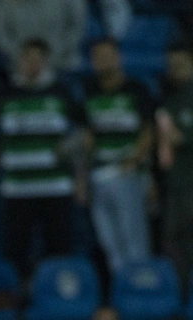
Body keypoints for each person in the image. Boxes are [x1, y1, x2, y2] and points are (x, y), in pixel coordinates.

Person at [0, 39, 85, 278]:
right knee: (15, 253)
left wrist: (73, 156)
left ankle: (58, 300)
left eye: (37, 58)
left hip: (55, 187)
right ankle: (22, 304)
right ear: (19, 62)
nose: (32, 63)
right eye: (27, 58)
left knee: (59, 250)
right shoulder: (3, 93)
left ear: (46, 62)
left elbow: (83, 132)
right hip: (17, 189)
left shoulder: (62, 92)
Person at [83, 38, 154, 274]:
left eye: (107, 55)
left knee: (133, 241)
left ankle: (140, 292)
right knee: (109, 243)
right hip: (99, 174)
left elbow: (148, 130)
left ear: (118, 57)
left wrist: (134, 161)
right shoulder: (89, 92)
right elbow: (88, 135)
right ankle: (123, 294)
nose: (102, 61)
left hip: (127, 173)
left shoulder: (136, 89)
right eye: (97, 57)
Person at [157, 41, 193, 291]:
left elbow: (179, 137)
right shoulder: (168, 97)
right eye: (172, 65)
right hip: (174, 184)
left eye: (182, 64)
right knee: (173, 242)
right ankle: (178, 297)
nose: (176, 69)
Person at [0, 0, 86, 74]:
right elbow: (1, 34)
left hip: (63, 63)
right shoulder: (6, 3)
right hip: (20, 67)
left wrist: (51, 55)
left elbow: (77, 28)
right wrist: (26, 58)